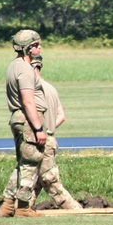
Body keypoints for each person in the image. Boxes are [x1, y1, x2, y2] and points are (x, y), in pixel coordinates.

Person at [0, 30, 47, 218]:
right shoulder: (25, 70)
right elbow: (28, 101)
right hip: (27, 120)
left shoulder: (14, 66)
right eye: (36, 45)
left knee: (22, 163)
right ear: (28, 48)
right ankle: (23, 207)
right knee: (31, 164)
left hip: (18, 118)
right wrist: (38, 128)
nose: (40, 48)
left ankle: (8, 204)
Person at [27, 54, 82, 210]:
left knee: (48, 180)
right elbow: (62, 116)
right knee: (35, 180)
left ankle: (74, 210)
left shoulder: (33, 91)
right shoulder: (51, 88)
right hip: (49, 138)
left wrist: (39, 132)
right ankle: (23, 208)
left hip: (39, 140)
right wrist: (49, 130)